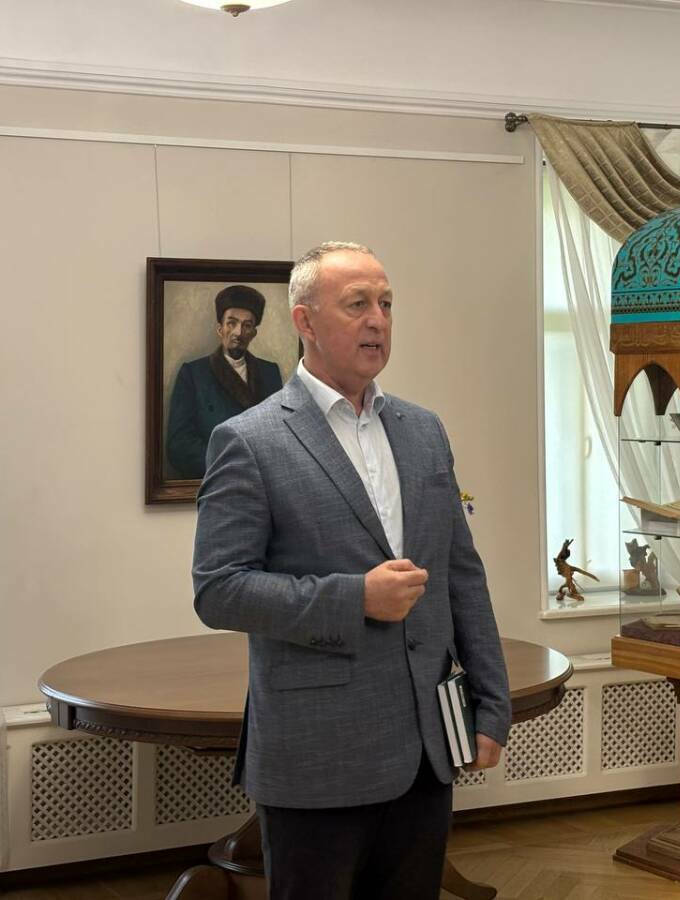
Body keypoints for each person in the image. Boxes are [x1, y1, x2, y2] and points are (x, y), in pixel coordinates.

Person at [192, 241, 510, 900]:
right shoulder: (249, 440)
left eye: (386, 304)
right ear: (304, 321)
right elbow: (218, 590)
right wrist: (354, 598)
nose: (378, 320)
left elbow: (462, 575)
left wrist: (491, 706)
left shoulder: (424, 431)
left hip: (425, 751)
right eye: (357, 304)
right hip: (317, 757)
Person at [166, 284, 284, 479]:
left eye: (247, 325)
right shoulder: (193, 374)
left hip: (261, 480)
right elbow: (179, 445)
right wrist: (228, 465)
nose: (238, 332)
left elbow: (279, 435)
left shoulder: (270, 373)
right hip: (215, 479)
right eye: (232, 323)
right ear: (220, 329)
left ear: (253, 333)